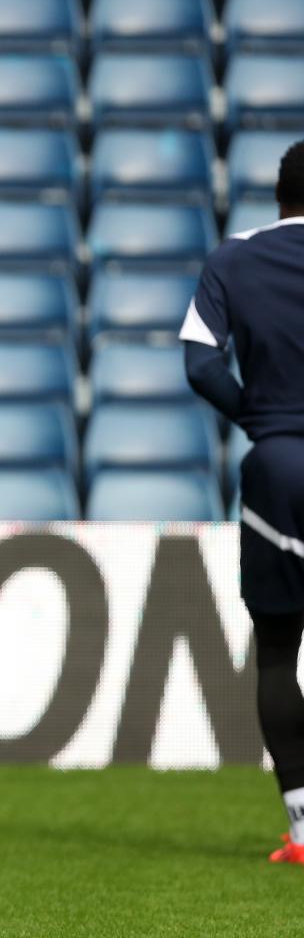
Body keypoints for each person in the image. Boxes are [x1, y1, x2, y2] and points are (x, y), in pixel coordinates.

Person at [180, 140, 304, 865]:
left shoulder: (235, 258)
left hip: (278, 466)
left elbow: (200, 362)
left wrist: (257, 417)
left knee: (278, 653)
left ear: (280, 196)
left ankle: (303, 831)